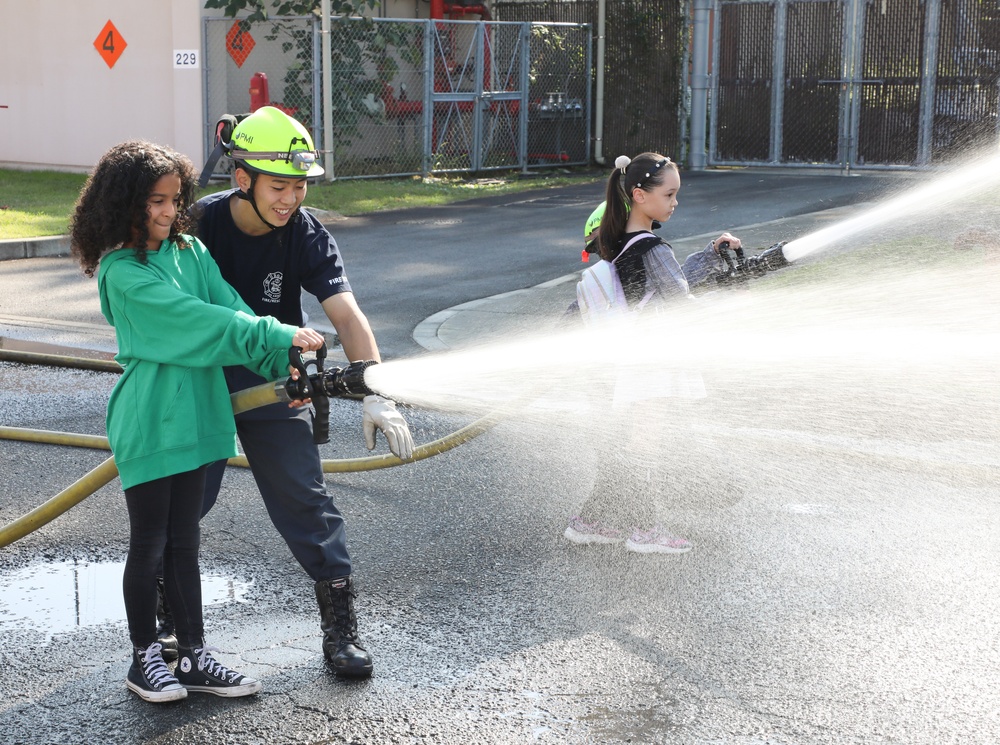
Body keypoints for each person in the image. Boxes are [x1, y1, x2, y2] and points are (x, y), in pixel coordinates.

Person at [69, 140, 327, 703]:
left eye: (173, 200)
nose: (166, 212)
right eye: (152, 202)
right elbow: (198, 322)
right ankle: (145, 659)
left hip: (203, 416)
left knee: (185, 541)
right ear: (122, 205)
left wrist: (282, 359)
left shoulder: (190, 251)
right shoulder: (122, 272)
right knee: (152, 543)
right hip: (152, 421)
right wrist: (277, 334)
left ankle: (192, 655)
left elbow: (233, 309)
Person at [183, 106, 414, 679]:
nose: (290, 199)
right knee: (186, 500)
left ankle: (340, 632)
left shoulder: (305, 232)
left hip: (274, 380)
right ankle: (170, 630)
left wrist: (374, 389)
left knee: (307, 501)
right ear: (243, 179)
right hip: (204, 378)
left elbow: (347, 314)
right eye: (279, 186)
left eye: (300, 186)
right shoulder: (198, 227)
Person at [564, 152, 741, 554]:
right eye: (670, 194)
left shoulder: (625, 248)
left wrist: (711, 256)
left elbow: (658, 288)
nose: (675, 202)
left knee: (631, 447)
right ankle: (645, 531)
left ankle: (592, 521)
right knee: (644, 446)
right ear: (640, 196)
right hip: (654, 364)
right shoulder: (651, 247)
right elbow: (679, 300)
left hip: (634, 363)